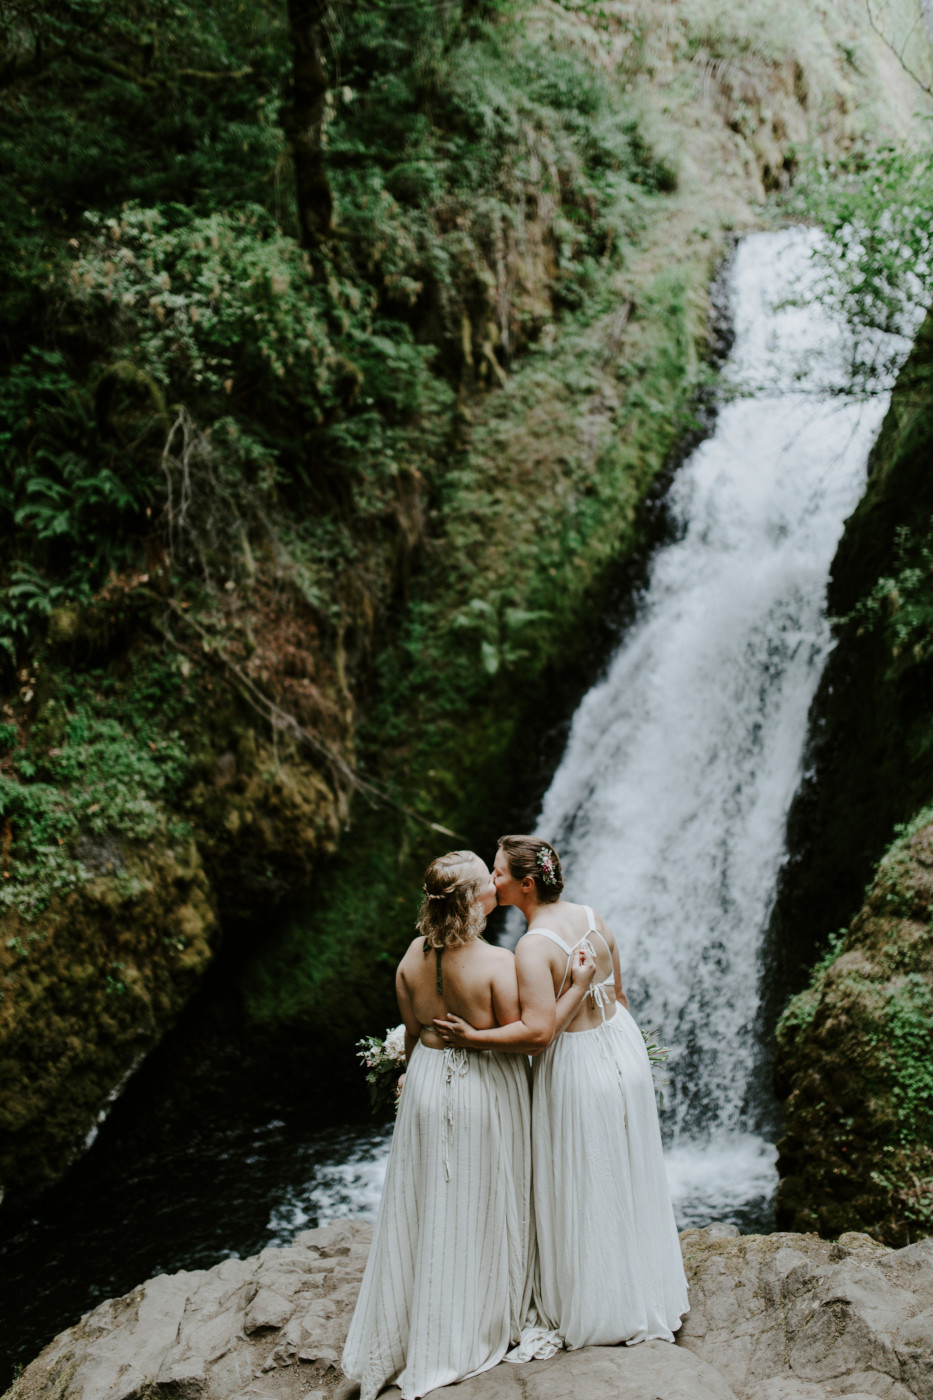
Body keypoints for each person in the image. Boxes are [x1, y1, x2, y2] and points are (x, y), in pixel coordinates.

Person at [341, 849, 594, 1400]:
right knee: (487, 1201)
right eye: (488, 881)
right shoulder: (497, 963)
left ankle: (415, 1323)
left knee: (427, 1203)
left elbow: (410, 1034)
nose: (496, 887)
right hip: (483, 1089)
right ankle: (477, 1321)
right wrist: (576, 987)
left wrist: (408, 1078)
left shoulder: (412, 956)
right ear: (474, 899)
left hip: (427, 1083)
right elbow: (530, 1039)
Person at [434, 834, 689, 1352]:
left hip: (578, 1064)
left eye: (499, 874)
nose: (491, 881)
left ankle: (602, 1304)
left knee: (585, 1177)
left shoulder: (531, 947)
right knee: (627, 1169)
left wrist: (474, 1038)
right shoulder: (594, 917)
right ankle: (646, 1286)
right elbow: (616, 993)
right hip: (622, 1047)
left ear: (526, 884)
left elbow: (538, 1035)